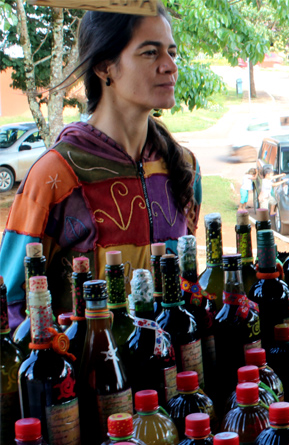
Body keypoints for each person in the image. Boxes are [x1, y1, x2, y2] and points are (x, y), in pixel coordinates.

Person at [0, 3, 202, 328]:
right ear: (105, 67)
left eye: (172, 52)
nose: (170, 66)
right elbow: (9, 303)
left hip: (174, 374)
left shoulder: (183, 167)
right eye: (150, 53)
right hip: (90, 375)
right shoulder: (56, 176)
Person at [260, 163, 287, 228]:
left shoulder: (268, 178)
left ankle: (271, 212)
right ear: (267, 175)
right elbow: (274, 185)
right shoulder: (265, 181)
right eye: (271, 174)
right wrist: (283, 181)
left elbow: (273, 177)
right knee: (264, 211)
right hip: (264, 198)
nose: (272, 176)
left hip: (268, 196)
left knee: (274, 202)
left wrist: (281, 175)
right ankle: (263, 223)